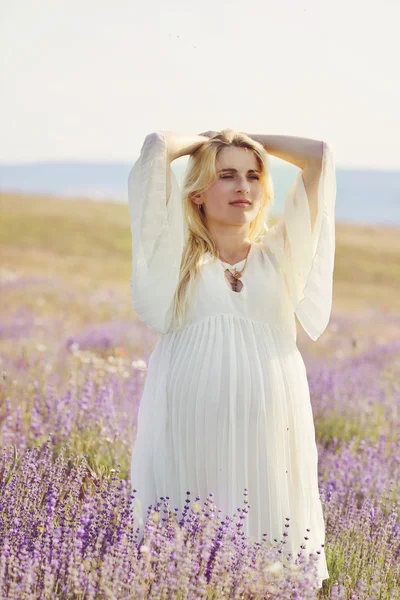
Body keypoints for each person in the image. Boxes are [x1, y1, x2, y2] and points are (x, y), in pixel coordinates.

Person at [128, 128, 336, 588]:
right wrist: (210, 137)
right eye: (226, 175)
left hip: (270, 428)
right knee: (185, 556)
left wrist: (244, 134)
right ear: (199, 192)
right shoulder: (177, 257)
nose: (243, 186)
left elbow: (318, 155)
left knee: (269, 553)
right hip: (191, 428)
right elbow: (157, 149)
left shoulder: (282, 256)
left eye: (253, 175)